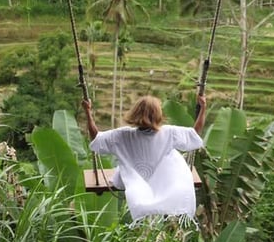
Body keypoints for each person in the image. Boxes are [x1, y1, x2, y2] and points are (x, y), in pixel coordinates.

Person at [82, 94, 206, 225]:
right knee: (173, 159)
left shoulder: (123, 135)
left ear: (135, 113)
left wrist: (88, 112)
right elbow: (195, 133)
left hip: (134, 182)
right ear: (158, 114)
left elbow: (96, 137)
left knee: (127, 172)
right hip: (162, 182)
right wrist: (203, 108)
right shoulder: (169, 133)